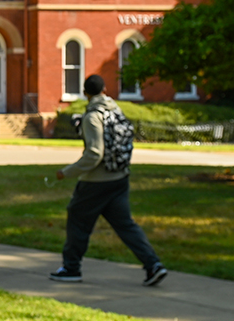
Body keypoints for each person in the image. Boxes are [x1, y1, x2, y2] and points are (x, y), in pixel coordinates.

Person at [51, 74, 167, 286]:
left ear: (85, 93)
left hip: (96, 182)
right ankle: (153, 265)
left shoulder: (92, 117)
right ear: (104, 89)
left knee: (77, 218)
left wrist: (66, 172)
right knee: (125, 225)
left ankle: (71, 268)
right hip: (120, 177)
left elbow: (95, 154)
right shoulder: (115, 110)